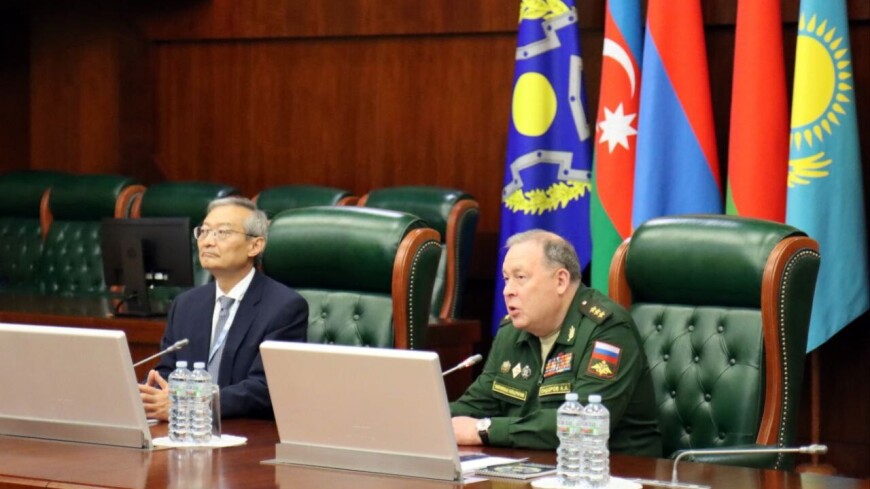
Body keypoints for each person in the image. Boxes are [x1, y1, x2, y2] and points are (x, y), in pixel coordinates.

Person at [450, 230, 661, 455]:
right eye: (506, 279)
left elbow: (584, 424)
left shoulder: (608, 329)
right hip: (537, 463)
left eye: (520, 278)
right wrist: (429, 419)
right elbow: (476, 404)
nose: (508, 291)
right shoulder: (511, 331)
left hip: (616, 468)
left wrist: (485, 430)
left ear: (560, 281)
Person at [139, 196, 308, 420]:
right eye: (204, 231)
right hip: (187, 428)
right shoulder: (186, 304)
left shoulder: (284, 307)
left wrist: (192, 404)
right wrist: (150, 393)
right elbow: (169, 369)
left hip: (245, 429)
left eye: (223, 233)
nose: (208, 241)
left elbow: (264, 387)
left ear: (255, 245)